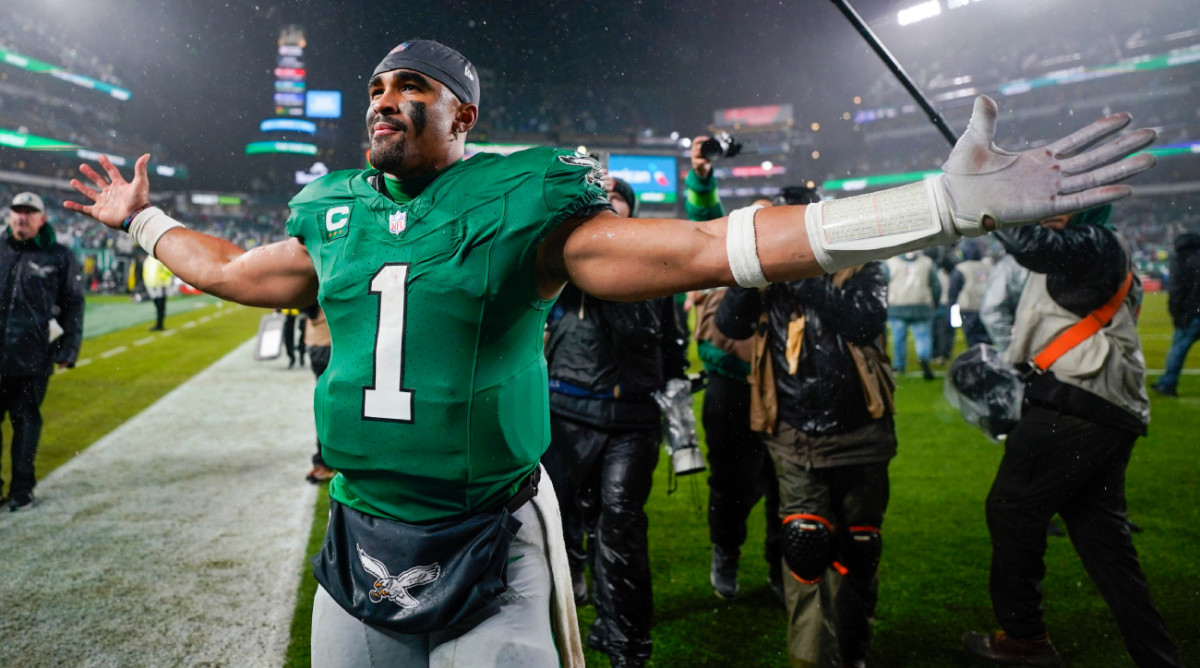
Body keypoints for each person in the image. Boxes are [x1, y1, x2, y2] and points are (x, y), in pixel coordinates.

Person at [63, 36, 1156, 668]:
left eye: (413, 90)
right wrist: (142, 224)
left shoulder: (523, 196)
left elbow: (704, 245)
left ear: (465, 114)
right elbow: (228, 270)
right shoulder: (334, 209)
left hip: (488, 536)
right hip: (357, 534)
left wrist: (938, 203)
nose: (385, 101)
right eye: (376, 90)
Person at [962, 207, 1184, 668]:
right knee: (1105, 545)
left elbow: (1034, 247)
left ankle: (1025, 639)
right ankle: (1158, 657)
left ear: (1090, 208)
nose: (1053, 213)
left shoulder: (1095, 242)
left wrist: (993, 209)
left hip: (1078, 402)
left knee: (1012, 507)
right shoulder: (1098, 244)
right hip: (1100, 405)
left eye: (1064, 204)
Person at [717, 219, 897, 668]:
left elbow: (864, 320)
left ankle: (853, 653)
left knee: (859, 547)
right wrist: (749, 265)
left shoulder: (863, 267)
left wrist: (800, 274)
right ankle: (811, 660)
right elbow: (729, 325)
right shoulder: (765, 275)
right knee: (804, 544)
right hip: (793, 435)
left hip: (863, 434)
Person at [541, 176, 686, 668]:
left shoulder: (652, 271)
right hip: (564, 412)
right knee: (553, 528)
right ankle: (550, 633)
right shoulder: (558, 261)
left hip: (630, 418)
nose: (611, 222)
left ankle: (626, 643)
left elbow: (663, 339)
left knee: (621, 525)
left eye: (619, 212)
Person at [684, 139, 782, 602]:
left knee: (785, 480)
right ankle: (726, 552)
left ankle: (782, 567)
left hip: (781, 387)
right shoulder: (726, 250)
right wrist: (702, 178)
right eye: (753, 219)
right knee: (730, 482)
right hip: (729, 384)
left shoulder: (790, 263)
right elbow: (704, 217)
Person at [0, 192, 85, 511]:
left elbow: (74, 304)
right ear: (9, 215)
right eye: (17, 211)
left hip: (32, 356)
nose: (21, 216)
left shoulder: (59, 256)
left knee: (25, 424)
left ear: (42, 218)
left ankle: (22, 488)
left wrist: (69, 348)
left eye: (29, 212)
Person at [1151, 230, 1200, 397]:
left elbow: (1177, 291)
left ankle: (1167, 384)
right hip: (1194, 311)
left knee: (1178, 350)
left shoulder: (1181, 260)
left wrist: (1176, 314)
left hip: (1190, 315)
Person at [884, 250, 940, 380]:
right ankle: (924, 357)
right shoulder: (927, 262)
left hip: (897, 305)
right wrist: (935, 302)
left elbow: (883, 284)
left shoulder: (891, 262)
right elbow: (936, 285)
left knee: (898, 338)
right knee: (923, 336)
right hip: (921, 305)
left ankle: (899, 365)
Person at [302, 303, 335, 483]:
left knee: (325, 404)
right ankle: (324, 461)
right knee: (333, 406)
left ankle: (324, 460)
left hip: (315, 340)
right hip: (329, 341)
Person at [948, 240, 994, 348]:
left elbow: (953, 290)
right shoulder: (988, 267)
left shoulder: (961, 268)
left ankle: (977, 358)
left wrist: (951, 305)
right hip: (986, 306)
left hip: (968, 308)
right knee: (987, 337)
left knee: (972, 337)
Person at [142, 253, 173, 331]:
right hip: (152, 285)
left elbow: (167, 271)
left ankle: (159, 324)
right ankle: (159, 324)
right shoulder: (150, 259)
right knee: (158, 306)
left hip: (159, 285)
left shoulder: (158, 259)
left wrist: (162, 280)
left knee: (160, 306)